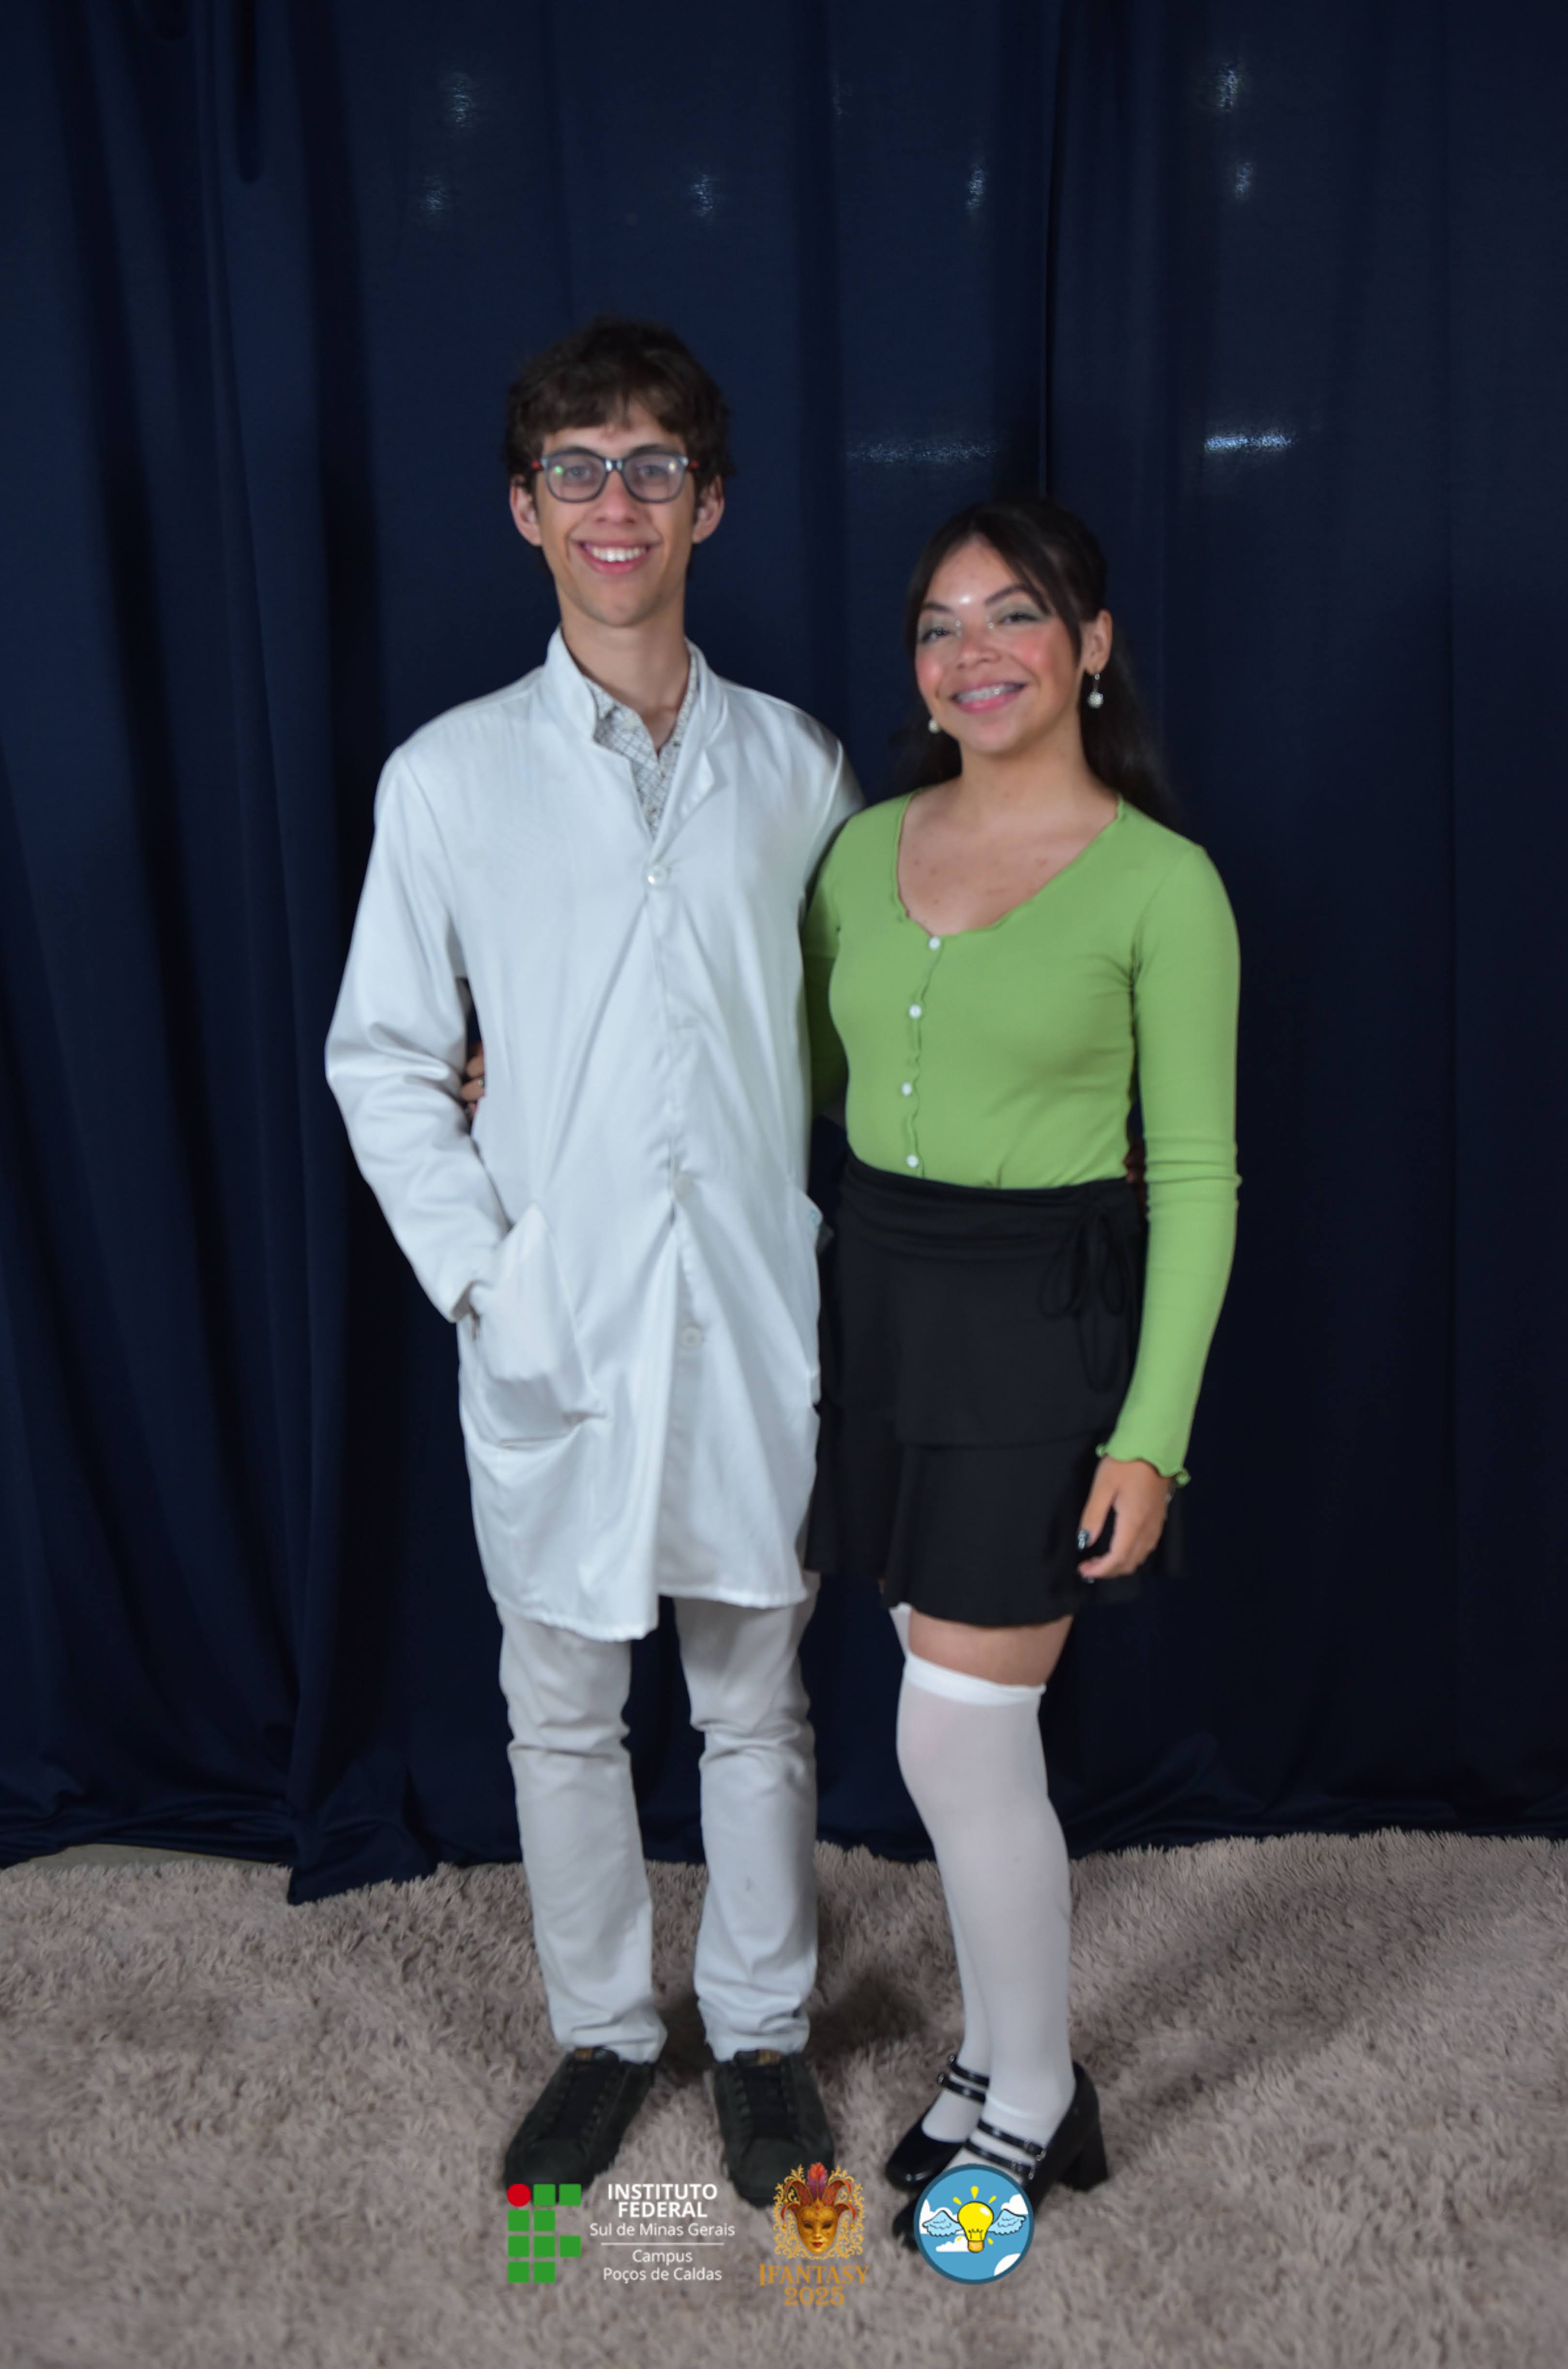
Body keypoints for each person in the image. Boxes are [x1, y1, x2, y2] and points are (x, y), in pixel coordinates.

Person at [325, 317, 860, 2204]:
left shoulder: (797, 766)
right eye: (577, 469)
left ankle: (764, 2037)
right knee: (557, 1705)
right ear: (524, 509)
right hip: (552, 1323)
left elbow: (844, 1033)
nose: (613, 502)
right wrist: (490, 1277)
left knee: (755, 1700)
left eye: (651, 467)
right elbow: (385, 1057)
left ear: (708, 504)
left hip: (747, 1311)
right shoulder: (449, 778)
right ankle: (605, 2033)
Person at [799, 497, 1239, 2244]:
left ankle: (1040, 2100)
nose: (968, 654)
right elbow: (771, 1079)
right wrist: (516, 1085)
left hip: (1042, 1327)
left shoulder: (1161, 886)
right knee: (946, 1714)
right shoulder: (859, 851)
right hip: (877, 1309)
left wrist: (1152, 1440)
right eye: (937, 624)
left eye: (1010, 616)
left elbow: (1195, 1179)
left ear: (1090, 646)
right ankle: (990, 2054)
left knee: (960, 1740)